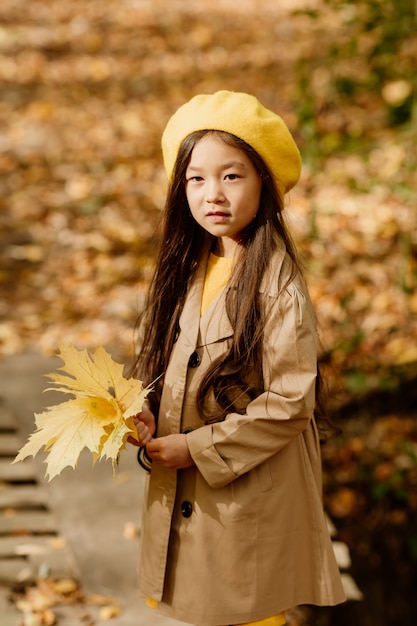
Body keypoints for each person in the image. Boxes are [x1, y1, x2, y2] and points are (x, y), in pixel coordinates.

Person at [129, 90, 346, 626]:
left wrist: (197, 448)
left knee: (247, 608)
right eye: (196, 179)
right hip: (190, 487)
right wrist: (144, 407)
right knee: (201, 603)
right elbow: (168, 359)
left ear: (264, 184)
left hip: (247, 491)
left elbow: (292, 401)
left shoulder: (276, 284)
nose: (213, 195)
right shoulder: (190, 267)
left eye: (232, 176)